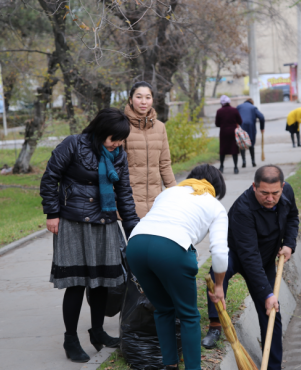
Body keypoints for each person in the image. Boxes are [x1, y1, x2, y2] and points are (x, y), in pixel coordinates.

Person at [40, 108, 140, 363]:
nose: (117, 144)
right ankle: (70, 339)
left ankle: (97, 332)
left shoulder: (119, 155)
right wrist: (52, 213)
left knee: (103, 283)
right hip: (73, 222)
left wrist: (135, 233)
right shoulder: (73, 145)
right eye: (114, 139)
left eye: (121, 140)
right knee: (76, 283)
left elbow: (125, 194)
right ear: (100, 132)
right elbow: (50, 179)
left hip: (105, 221)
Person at [126, 164, 229, 370]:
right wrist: (219, 286)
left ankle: (170, 365)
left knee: (163, 309)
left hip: (135, 246)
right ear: (215, 189)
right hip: (171, 249)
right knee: (189, 315)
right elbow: (218, 252)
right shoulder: (214, 205)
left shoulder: (169, 192)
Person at [202, 165, 299, 370]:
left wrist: (289, 243)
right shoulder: (242, 209)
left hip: (266, 258)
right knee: (218, 272)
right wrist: (266, 292)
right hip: (238, 253)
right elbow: (249, 255)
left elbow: (292, 217)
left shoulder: (287, 192)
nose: (270, 198)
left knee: (272, 312)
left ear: (282, 187)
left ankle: (273, 366)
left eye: (275, 193)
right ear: (254, 186)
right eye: (264, 193)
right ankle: (215, 325)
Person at [123, 81, 177, 219]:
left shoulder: (160, 127)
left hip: (156, 202)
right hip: (129, 202)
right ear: (130, 100)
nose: (143, 102)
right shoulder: (122, 127)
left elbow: (164, 164)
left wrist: (175, 193)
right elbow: (114, 166)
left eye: (148, 97)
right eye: (139, 97)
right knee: (134, 240)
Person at [215, 95, 243, 174]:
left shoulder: (219, 111)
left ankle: (221, 167)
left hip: (223, 133)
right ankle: (236, 168)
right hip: (233, 132)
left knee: (223, 150)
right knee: (234, 150)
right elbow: (240, 121)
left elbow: (217, 124)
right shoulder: (234, 110)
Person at [237, 98, 265, 168]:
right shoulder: (253, 107)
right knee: (251, 144)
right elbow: (261, 117)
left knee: (242, 144)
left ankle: (244, 161)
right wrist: (262, 128)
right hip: (251, 128)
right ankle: (253, 161)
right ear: (252, 103)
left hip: (241, 127)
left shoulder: (239, 107)